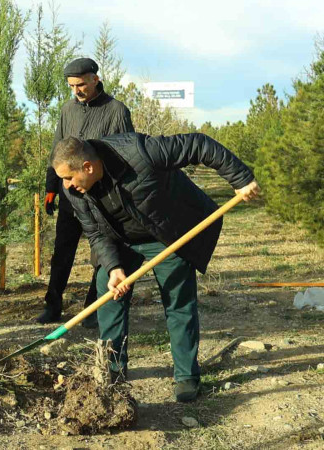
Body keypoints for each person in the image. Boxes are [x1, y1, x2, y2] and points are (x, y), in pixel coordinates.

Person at [50, 133, 260, 402]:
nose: (65, 186)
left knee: (178, 299)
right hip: (120, 240)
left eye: (69, 177)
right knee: (108, 292)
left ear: (88, 167)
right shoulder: (74, 190)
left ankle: (186, 376)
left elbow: (199, 144)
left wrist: (241, 179)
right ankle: (113, 372)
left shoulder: (139, 152)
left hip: (168, 234)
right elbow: (94, 232)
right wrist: (114, 267)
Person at [38, 57, 134, 327]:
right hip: (70, 196)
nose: (76, 91)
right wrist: (50, 187)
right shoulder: (67, 109)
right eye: (71, 86)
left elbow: (126, 153)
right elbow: (57, 150)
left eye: (80, 84)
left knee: (101, 256)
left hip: (101, 198)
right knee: (62, 254)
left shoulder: (117, 111)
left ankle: (93, 309)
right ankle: (52, 306)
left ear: (95, 79)